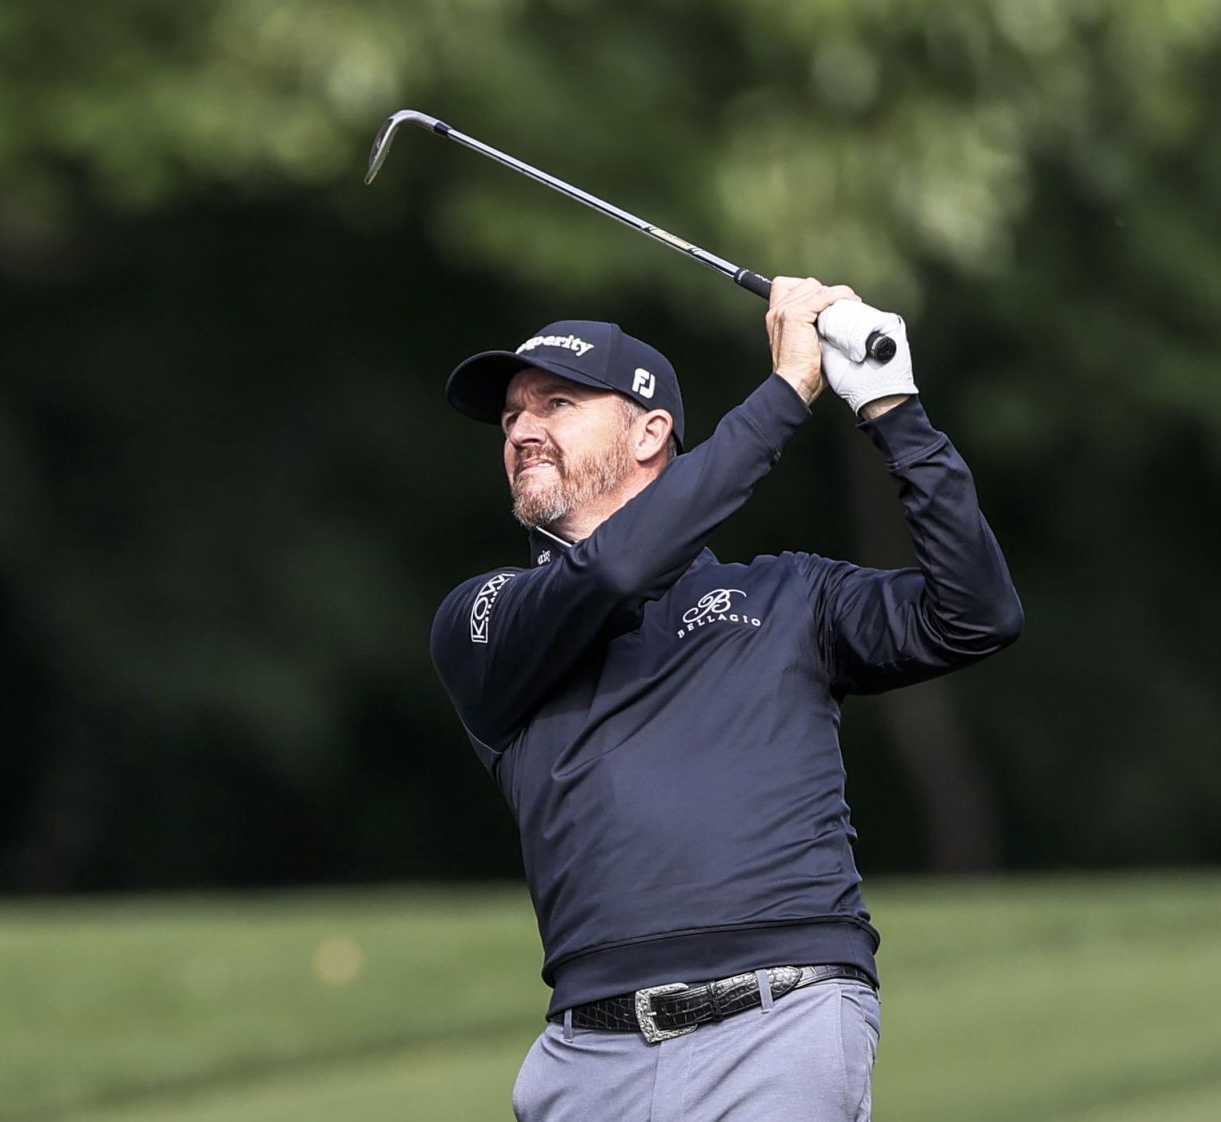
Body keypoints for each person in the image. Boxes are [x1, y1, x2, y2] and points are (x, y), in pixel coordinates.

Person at [429, 277, 1023, 1121]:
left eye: (555, 404)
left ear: (650, 432)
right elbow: (617, 568)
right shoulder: (484, 619)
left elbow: (975, 615)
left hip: (782, 1022)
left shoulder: (790, 595)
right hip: (586, 1059)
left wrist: (893, 408)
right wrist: (787, 392)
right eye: (512, 418)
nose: (523, 430)